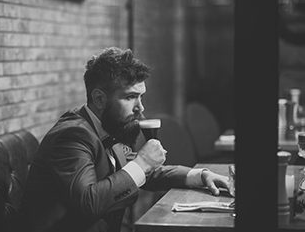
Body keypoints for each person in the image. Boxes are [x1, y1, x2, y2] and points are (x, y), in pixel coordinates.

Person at [21, 47, 234, 232]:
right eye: (130, 97)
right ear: (99, 99)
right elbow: (89, 202)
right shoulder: (73, 136)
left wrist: (199, 175)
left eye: (141, 96)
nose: (141, 107)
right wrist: (142, 163)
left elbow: (144, 173)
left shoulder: (108, 126)